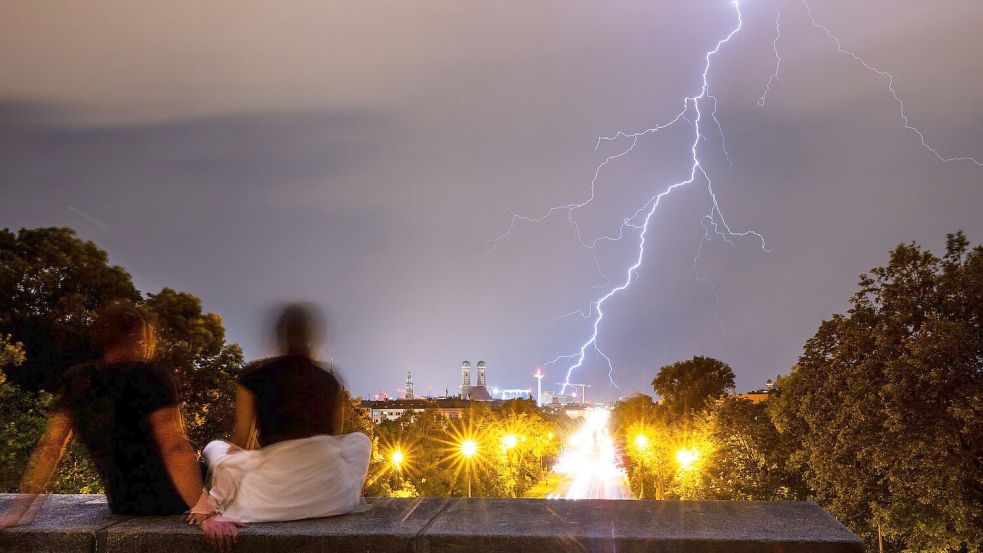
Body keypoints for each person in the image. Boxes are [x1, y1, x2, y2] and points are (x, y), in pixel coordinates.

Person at [0, 302, 240, 549]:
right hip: (173, 500)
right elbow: (174, 446)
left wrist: (17, 512)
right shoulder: (152, 376)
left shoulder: (77, 380)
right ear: (141, 338)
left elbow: (50, 448)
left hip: (124, 502)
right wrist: (202, 508)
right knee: (217, 448)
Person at [189, 304, 370, 528]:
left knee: (215, 447)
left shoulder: (254, 379)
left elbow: (241, 444)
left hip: (268, 501)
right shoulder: (330, 382)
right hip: (333, 498)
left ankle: (216, 498)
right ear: (313, 338)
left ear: (279, 337)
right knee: (359, 441)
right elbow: (335, 440)